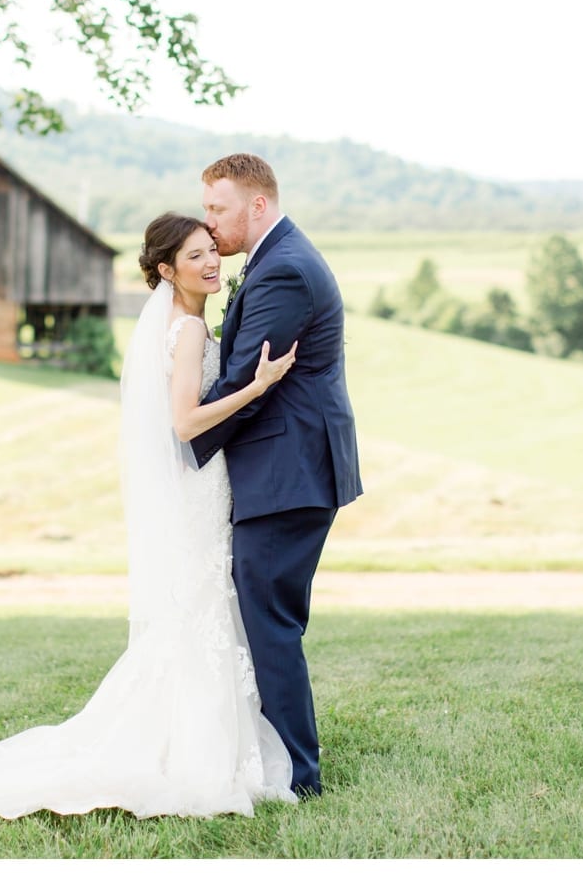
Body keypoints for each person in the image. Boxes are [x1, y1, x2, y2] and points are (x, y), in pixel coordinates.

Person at [0, 213, 301, 819]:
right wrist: (258, 386)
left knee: (199, 611)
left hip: (201, 486)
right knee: (201, 609)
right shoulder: (185, 331)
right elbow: (184, 422)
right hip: (197, 487)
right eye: (195, 256)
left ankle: (194, 738)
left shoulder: (183, 322)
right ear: (166, 270)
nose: (212, 261)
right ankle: (197, 753)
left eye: (213, 249)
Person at [191, 154, 362, 799]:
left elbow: (247, 382)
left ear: (257, 205)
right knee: (269, 616)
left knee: (270, 621)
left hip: (288, 471)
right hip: (284, 469)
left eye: (219, 209)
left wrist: (182, 443)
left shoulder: (283, 269)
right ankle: (277, 756)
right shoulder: (274, 258)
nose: (209, 224)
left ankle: (297, 774)